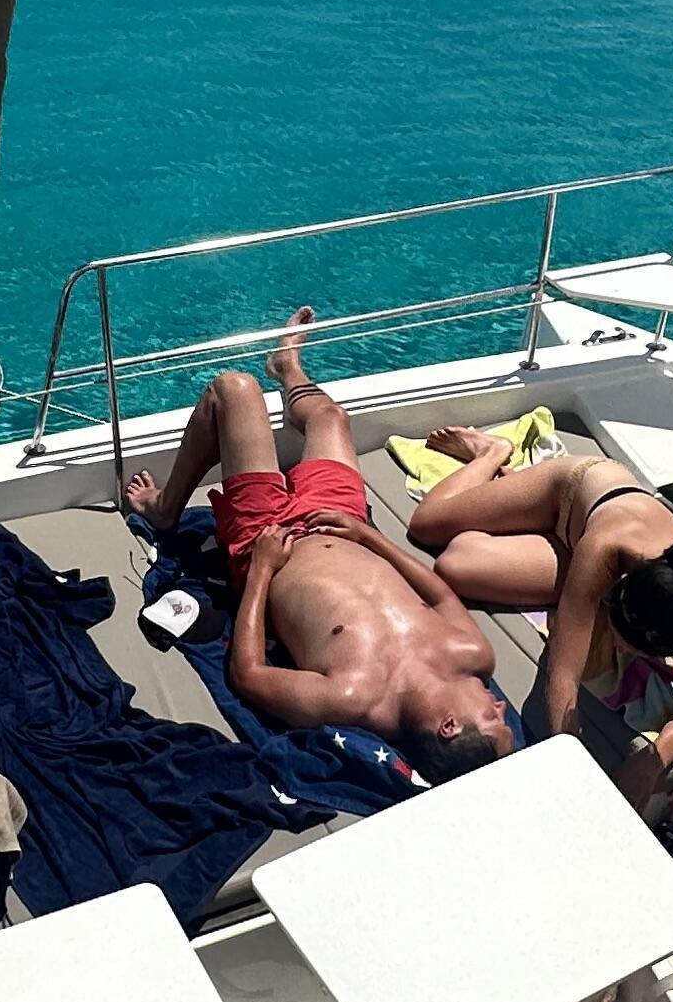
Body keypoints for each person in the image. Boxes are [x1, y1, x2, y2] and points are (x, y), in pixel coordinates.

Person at [122, 312, 517, 774]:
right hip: (343, 522)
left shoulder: (352, 698)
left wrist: (262, 568)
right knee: (331, 417)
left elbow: (248, 675)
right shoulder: (474, 656)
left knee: (234, 390)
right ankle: (288, 368)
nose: (501, 705)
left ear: (448, 726)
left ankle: (165, 508)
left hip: (267, 538)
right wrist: (369, 535)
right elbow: (440, 595)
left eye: (493, 718)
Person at [409, 426, 673, 807]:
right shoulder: (605, 550)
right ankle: (492, 453)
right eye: (622, 638)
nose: (621, 650)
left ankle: (518, 514)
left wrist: (652, 762)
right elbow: (563, 674)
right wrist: (567, 753)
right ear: (616, 591)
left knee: (460, 562)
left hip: (585, 542)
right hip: (570, 494)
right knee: (430, 528)